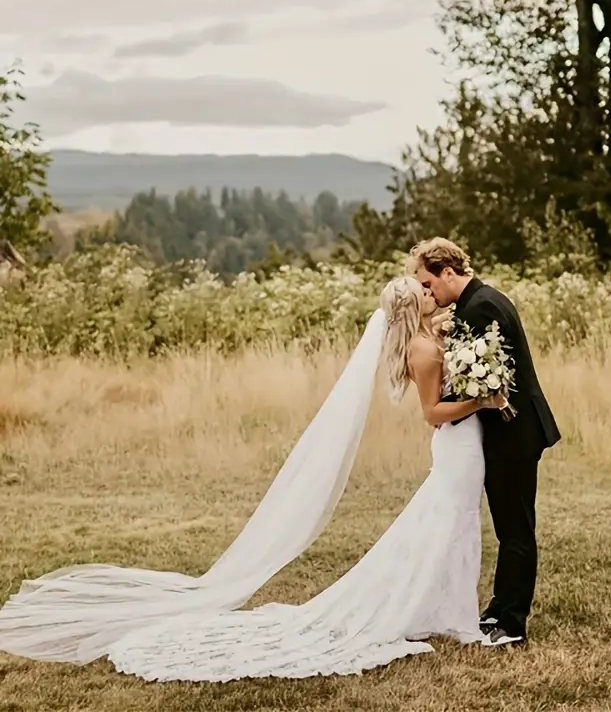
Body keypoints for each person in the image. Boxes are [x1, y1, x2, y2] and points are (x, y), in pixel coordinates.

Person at [0, 276, 505, 681]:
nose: (429, 290)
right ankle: (450, 615)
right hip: (454, 444)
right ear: (407, 307)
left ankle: (450, 610)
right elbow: (433, 413)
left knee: (451, 526)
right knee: (447, 524)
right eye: (421, 289)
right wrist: (483, 399)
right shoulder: (420, 349)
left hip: (461, 449)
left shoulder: (430, 336)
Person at [408, 237, 561, 647]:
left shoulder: (482, 308)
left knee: (515, 530)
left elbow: (492, 381)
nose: (428, 292)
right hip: (505, 433)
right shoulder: (477, 303)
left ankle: (511, 622)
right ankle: (498, 607)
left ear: (448, 272)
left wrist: (451, 407)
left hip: (514, 434)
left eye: (428, 283)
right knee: (509, 527)